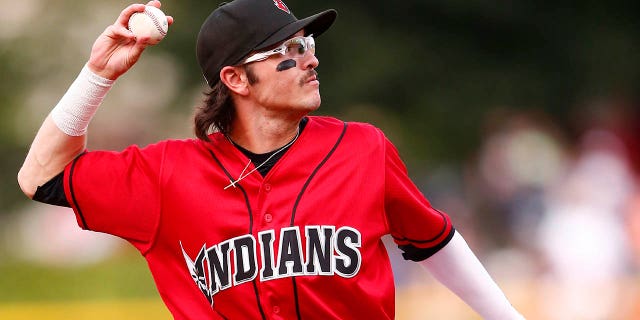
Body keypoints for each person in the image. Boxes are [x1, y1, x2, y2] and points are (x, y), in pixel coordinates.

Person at [17, 0, 525, 319]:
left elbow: (432, 239)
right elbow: (40, 176)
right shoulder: (166, 174)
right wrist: (98, 74)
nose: (312, 58)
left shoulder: (362, 149)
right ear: (236, 80)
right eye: (291, 48)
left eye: (308, 44)